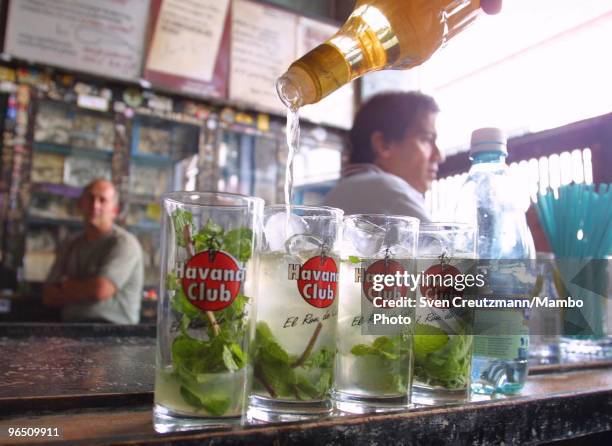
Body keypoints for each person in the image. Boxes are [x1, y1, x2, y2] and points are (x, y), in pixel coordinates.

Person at [322, 91, 443, 221]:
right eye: (426, 139)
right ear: (383, 144)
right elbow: (438, 241)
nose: (439, 156)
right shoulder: (388, 190)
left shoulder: (344, 191)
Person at [42, 179, 144, 324]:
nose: (95, 205)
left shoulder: (125, 243)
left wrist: (66, 285)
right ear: (80, 204)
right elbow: (48, 295)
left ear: (115, 210)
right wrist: (85, 289)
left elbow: (100, 290)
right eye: (90, 198)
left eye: (102, 200)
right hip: (70, 330)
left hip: (115, 334)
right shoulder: (70, 244)